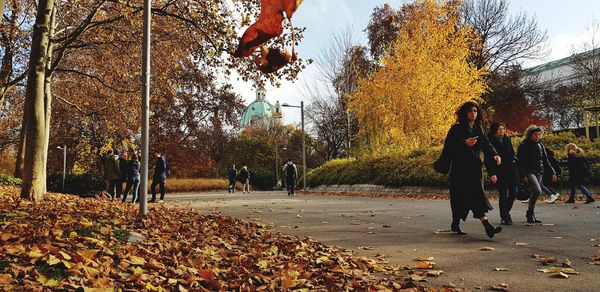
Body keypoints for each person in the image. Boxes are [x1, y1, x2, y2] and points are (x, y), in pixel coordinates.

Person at [437, 101, 503, 238]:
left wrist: (495, 154)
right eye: (470, 111)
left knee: (476, 194)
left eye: (475, 111)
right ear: (465, 113)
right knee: (460, 196)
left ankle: (487, 226)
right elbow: (449, 147)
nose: (473, 113)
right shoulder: (456, 128)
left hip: (474, 168)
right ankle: (458, 223)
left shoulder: (479, 128)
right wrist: (464, 143)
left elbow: (487, 144)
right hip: (460, 168)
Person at [517, 125, 557, 223]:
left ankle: (530, 213)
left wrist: (553, 172)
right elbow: (519, 162)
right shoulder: (523, 145)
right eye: (535, 134)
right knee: (537, 190)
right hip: (529, 171)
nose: (537, 136)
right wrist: (523, 175)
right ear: (530, 135)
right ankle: (530, 212)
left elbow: (546, 160)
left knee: (534, 192)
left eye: (539, 134)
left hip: (539, 170)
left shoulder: (540, 145)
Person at [485, 123, 519, 225]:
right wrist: (492, 174)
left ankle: (506, 213)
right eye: (499, 129)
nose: (501, 131)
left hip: (511, 169)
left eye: (503, 129)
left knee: (514, 192)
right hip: (499, 171)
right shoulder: (489, 141)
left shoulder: (507, 139)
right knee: (503, 194)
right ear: (494, 130)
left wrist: (514, 160)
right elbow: (487, 159)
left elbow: (512, 153)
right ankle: (504, 217)